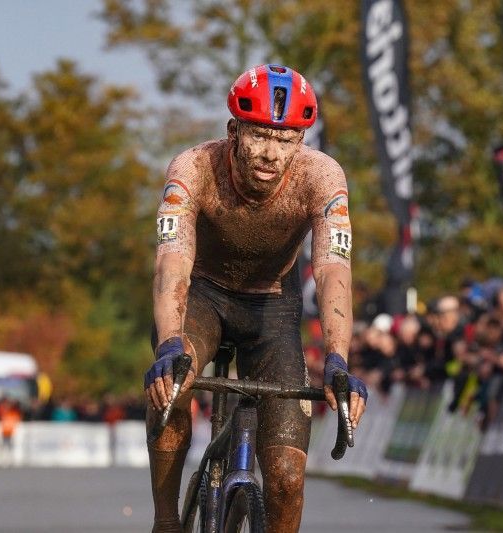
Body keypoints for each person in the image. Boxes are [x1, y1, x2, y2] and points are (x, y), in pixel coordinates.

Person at [143, 64, 368, 533]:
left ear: (302, 142)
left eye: (286, 141)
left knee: (286, 477)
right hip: (200, 295)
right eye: (260, 136)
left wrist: (338, 358)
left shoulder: (323, 177)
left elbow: (331, 267)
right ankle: (166, 520)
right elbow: (173, 261)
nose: (270, 153)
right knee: (173, 383)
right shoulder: (193, 167)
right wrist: (168, 343)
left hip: (271, 306)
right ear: (233, 131)